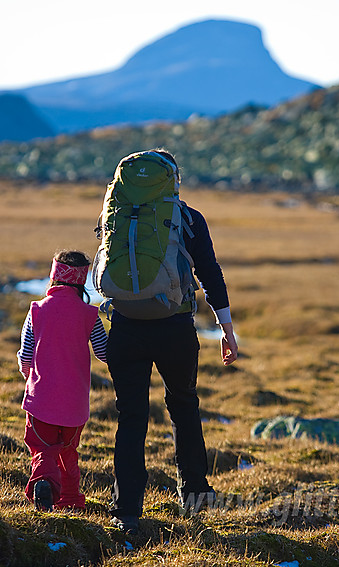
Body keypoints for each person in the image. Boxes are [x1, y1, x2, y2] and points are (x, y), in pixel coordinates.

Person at [107, 149, 238, 534]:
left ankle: (126, 509)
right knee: (183, 407)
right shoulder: (187, 218)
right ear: (174, 180)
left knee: (130, 417)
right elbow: (210, 274)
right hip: (175, 328)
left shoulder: (116, 213)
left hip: (125, 326)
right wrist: (226, 328)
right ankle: (195, 497)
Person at [17, 250, 108, 512]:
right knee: (68, 453)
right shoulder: (89, 315)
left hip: (41, 398)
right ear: (82, 281)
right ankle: (70, 502)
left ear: (53, 277)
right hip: (75, 404)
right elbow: (104, 353)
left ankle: (44, 483)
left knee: (42, 448)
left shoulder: (37, 310)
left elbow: (25, 355)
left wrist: (29, 377)